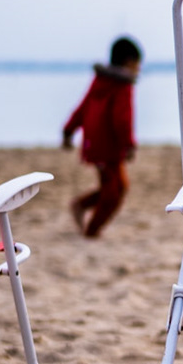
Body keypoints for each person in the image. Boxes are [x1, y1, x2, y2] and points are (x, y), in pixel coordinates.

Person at [62, 36, 140, 237]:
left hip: (96, 144)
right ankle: (91, 230)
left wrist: (69, 130)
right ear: (128, 62)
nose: (138, 69)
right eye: (137, 64)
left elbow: (83, 106)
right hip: (107, 147)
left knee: (117, 186)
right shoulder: (122, 85)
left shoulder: (101, 79)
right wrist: (129, 145)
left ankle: (81, 206)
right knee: (113, 192)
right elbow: (122, 119)